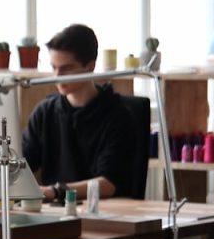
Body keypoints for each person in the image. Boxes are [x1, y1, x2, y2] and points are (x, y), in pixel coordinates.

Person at [22, 23, 136, 203]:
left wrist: (55, 191)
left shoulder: (118, 115)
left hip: (104, 214)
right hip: (52, 213)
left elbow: (109, 183)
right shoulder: (44, 112)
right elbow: (22, 165)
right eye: (53, 67)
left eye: (66, 68)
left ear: (90, 66)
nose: (57, 76)